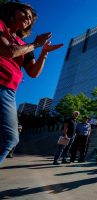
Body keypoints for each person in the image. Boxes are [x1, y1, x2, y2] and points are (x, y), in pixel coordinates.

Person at [0, 1, 63, 164]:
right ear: (12, 12)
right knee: (9, 139)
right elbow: (8, 52)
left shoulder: (24, 45)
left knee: (9, 139)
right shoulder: (1, 26)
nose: (28, 18)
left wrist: (43, 53)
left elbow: (33, 73)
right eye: (24, 13)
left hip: (9, 91)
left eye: (30, 18)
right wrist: (35, 44)